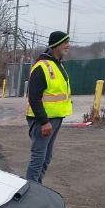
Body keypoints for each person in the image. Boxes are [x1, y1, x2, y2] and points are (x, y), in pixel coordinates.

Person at [25, 31, 72, 184]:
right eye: (65, 42)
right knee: (38, 158)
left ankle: (37, 186)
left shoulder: (58, 65)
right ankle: (31, 189)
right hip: (43, 121)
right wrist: (44, 121)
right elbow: (34, 97)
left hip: (55, 119)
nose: (68, 45)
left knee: (46, 157)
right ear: (55, 45)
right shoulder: (42, 66)